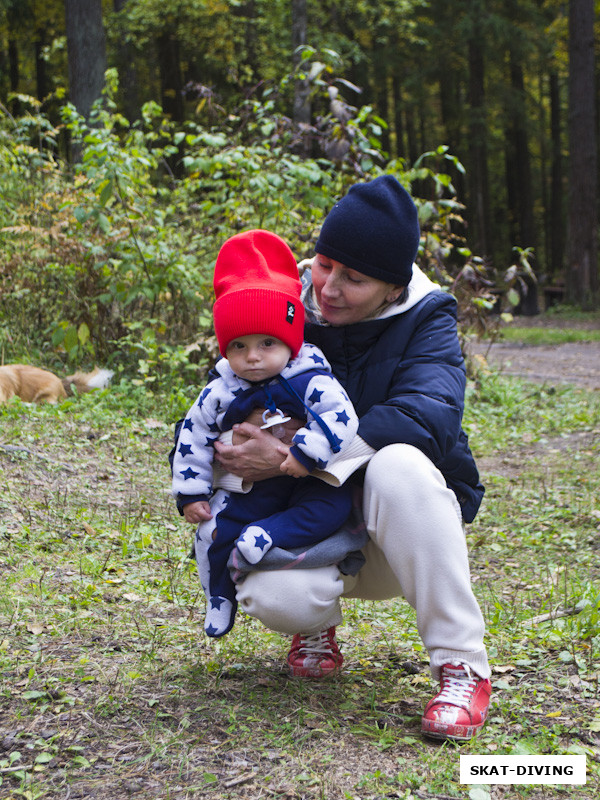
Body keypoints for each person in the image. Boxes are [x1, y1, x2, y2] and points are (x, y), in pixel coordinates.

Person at [210, 176, 492, 742]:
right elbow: (222, 402)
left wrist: (299, 457)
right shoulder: (283, 304)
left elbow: (426, 414)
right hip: (314, 521)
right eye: (323, 264)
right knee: (272, 592)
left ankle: (462, 666)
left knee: (399, 463)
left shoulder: (426, 316)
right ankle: (314, 631)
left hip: (401, 533)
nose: (329, 288)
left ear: (393, 288)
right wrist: (231, 453)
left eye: (353, 278)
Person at [172, 229, 360, 638]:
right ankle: (218, 595)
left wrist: (305, 451)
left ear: (290, 341)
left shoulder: (310, 376)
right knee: (218, 531)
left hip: (312, 480)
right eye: (238, 345)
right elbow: (193, 432)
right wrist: (192, 491)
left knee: (328, 510)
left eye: (267, 342)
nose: (252, 356)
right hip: (255, 488)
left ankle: (270, 535)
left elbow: (341, 415)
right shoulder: (222, 389)